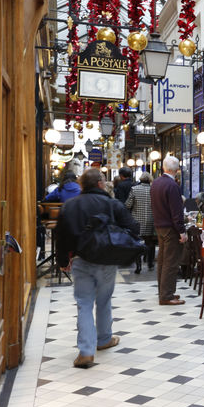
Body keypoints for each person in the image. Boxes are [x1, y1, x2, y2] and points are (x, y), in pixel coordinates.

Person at [55, 168, 140, 368]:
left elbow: (61, 236)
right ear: (101, 184)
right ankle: (104, 340)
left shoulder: (70, 206)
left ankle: (85, 352)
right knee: (103, 301)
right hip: (106, 261)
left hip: (81, 260)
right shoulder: (112, 204)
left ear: (82, 185)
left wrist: (62, 261)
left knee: (84, 303)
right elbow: (134, 227)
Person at [150, 156, 187, 306]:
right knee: (171, 262)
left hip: (159, 226)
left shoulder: (156, 183)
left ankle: (164, 291)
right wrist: (182, 231)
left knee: (163, 261)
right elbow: (176, 211)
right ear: (177, 170)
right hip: (171, 228)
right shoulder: (172, 186)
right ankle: (166, 295)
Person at [125, 172, 156, 274]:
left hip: (137, 220)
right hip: (151, 220)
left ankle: (138, 266)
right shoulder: (154, 189)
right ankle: (150, 263)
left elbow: (128, 205)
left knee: (138, 243)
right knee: (150, 242)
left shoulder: (134, 189)